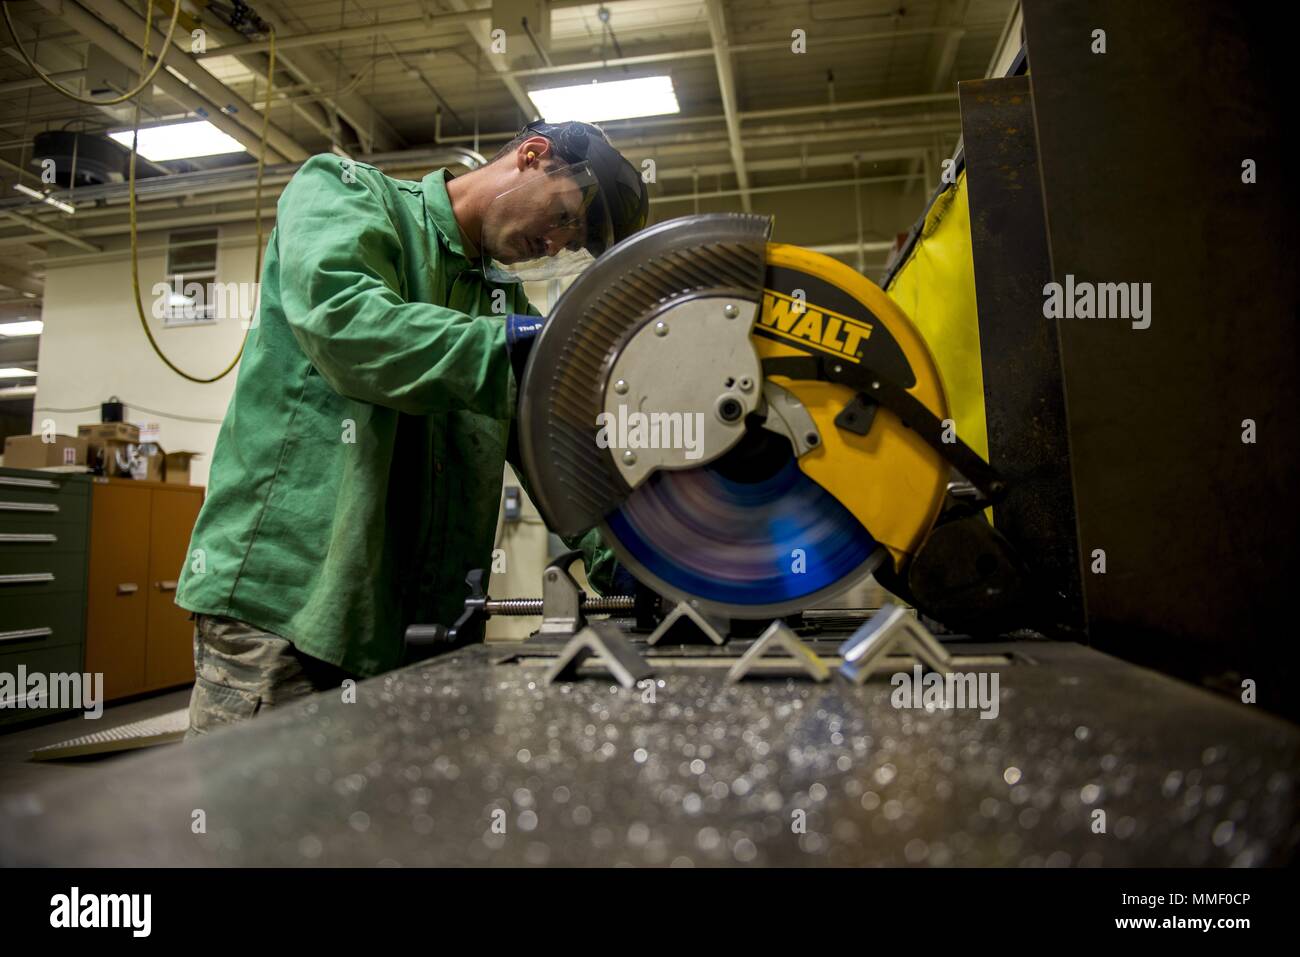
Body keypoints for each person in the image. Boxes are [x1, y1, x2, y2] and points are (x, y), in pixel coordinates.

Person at [177, 120, 649, 736]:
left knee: (409, 822)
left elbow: (555, 449)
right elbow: (346, 327)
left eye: (574, 241)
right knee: (263, 820)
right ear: (534, 157)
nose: (558, 244)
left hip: (427, 629)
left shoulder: (503, 304)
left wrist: (637, 559)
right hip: (289, 609)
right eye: (565, 218)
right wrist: (513, 348)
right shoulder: (343, 192)